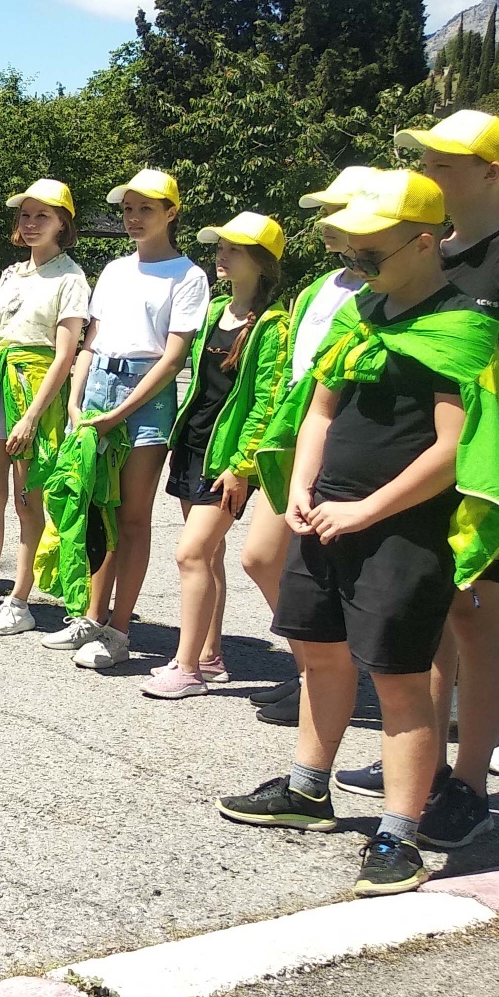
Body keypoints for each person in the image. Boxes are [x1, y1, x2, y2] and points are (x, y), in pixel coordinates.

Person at [218, 169, 499, 896]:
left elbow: (453, 449)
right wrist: (303, 488)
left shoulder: (465, 326)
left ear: (422, 242)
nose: (353, 265)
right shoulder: (361, 315)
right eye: (346, 251)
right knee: (318, 653)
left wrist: (366, 508)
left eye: (367, 253)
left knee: (402, 681)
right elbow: (319, 411)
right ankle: (308, 788)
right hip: (328, 513)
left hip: (401, 530)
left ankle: (399, 835)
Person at [329, 109, 499, 847]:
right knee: (429, 610)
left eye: (446, 159)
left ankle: (470, 781)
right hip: (416, 450)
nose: (430, 167)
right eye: (427, 156)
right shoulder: (423, 247)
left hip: (488, 454)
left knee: (477, 613)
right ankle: (425, 766)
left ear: (493, 171)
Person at [39, 169, 210, 668]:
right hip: (97, 387)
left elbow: (173, 357)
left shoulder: (189, 275)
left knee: (133, 517)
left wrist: (120, 411)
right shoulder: (114, 269)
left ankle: (119, 629)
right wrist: (76, 399)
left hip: (145, 396)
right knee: (97, 510)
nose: (134, 218)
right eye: (128, 209)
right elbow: (91, 340)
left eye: (146, 209)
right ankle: (90, 618)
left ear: (171, 213)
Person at [241, 172, 372, 726]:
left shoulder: (385, 288)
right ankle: (315, 674)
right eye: (323, 210)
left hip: (350, 445)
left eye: (337, 209)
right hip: (298, 439)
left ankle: (336, 680)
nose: (326, 221)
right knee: (261, 559)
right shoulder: (317, 288)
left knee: (341, 577)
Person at [144, 213, 288, 699]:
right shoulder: (215, 310)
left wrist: (241, 464)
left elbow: (267, 401)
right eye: (220, 245)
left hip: (226, 456)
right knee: (209, 555)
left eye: (234, 249)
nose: (221, 254)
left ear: (262, 263)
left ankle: (186, 668)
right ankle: (209, 657)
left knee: (190, 552)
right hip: (193, 444)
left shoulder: (273, 325)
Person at [0, 179, 88, 635]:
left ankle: (20, 600)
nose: (30, 224)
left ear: (62, 223)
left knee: (28, 501)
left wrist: (31, 416)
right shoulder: (11, 274)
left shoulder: (71, 278)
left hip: (34, 395)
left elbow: (64, 354)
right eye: (25, 215)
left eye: (41, 216)